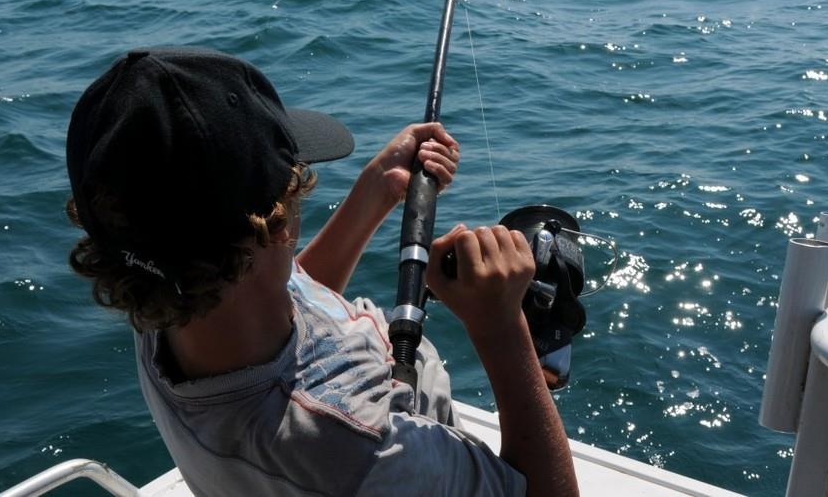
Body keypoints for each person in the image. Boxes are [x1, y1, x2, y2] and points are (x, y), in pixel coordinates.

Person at [64, 47, 577, 496]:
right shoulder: (363, 452)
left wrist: (377, 188)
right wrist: (500, 327)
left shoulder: (163, 297)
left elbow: (283, 299)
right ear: (274, 222)